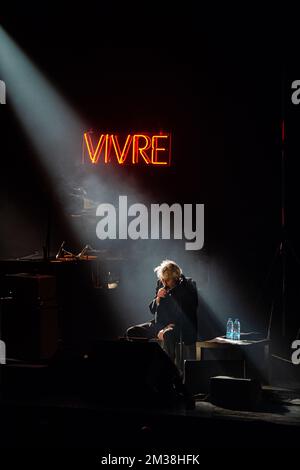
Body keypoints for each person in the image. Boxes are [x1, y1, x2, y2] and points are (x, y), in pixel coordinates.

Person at [126, 260, 198, 362]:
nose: (164, 283)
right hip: (160, 325)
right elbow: (152, 309)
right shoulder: (161, 283)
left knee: (168, 334)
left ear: (176, 278)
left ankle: (169, 369)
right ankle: (142, 364)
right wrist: (158, 298)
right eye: (162, 280)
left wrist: (165, 330)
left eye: (167, 280)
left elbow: (189, 312)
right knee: (132, 332)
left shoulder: (188, 285)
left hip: (179, 327)